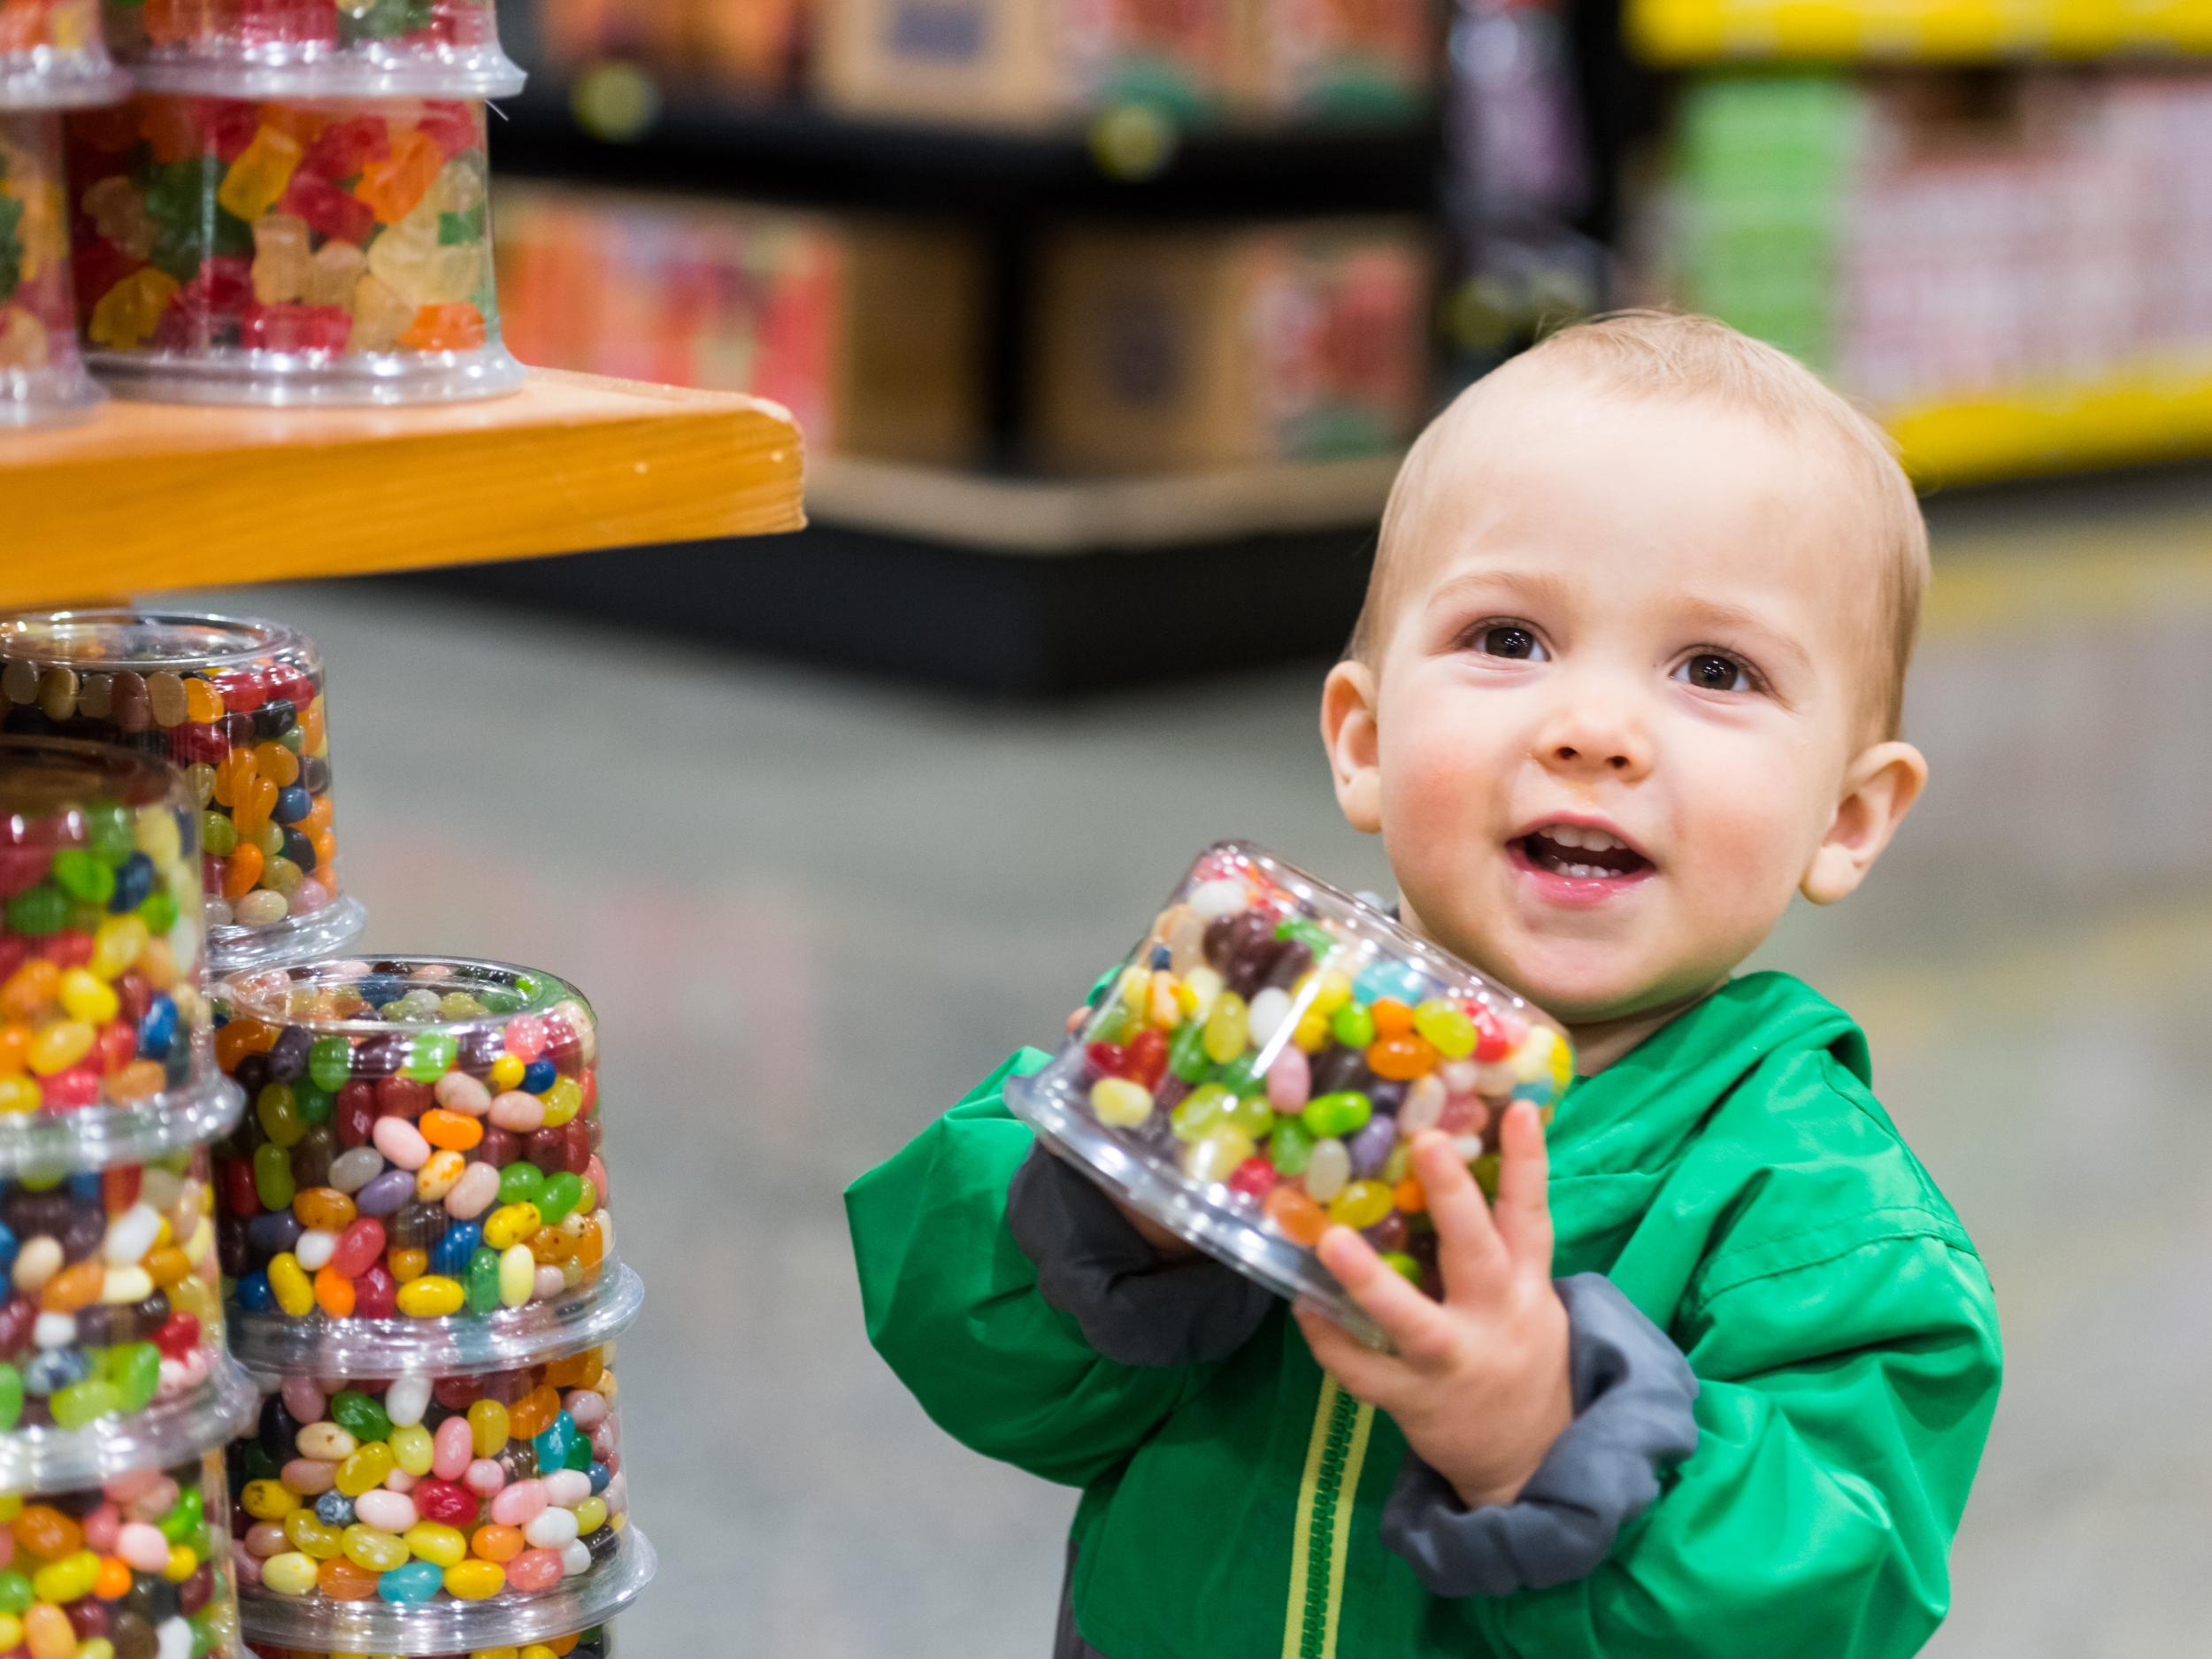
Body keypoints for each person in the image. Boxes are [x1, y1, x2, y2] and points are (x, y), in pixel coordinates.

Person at [845, 311, 2002, 1659]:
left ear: (1849, 820)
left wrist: (1541, 1441)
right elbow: (967, 1357)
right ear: (1368, 739)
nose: (1593, 731)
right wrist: (1117, 1216)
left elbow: (1829, 1598)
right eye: (1510, 640)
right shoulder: (1252, 1026)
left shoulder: (1820, 1218)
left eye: (1714, 670)